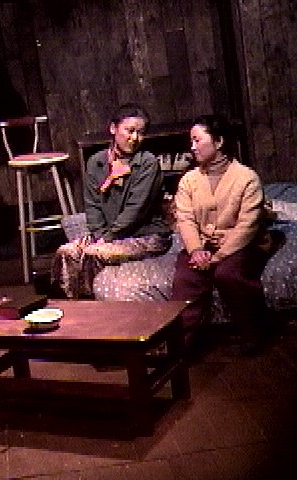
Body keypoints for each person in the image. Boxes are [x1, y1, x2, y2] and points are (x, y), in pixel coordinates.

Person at [51, 103, 172, 298]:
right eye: (129, 131)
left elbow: (136, 210)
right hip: (107, 234)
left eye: (140, 133)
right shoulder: (96, 162)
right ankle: (72, 305)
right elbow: (92, 206)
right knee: (67, 251)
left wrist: (106, 238)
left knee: (94, 253)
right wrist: (99, 234)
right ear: (113, 128)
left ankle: (95, 306)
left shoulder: (147, 163)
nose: (135, 138)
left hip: (146, 235)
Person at [171, 114, 268, 355]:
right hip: (203, 245)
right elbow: (185, 218)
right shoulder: (189, 180)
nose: (192, 147)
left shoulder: (247, 178)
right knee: (185, 278)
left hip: (238, 245)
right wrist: (196, 250)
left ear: (219, 141)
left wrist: (218, 257)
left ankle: (253, 335)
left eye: (197, 140)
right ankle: (181, 347)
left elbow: (247, 225)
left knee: (229, 274)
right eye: (191, 142)